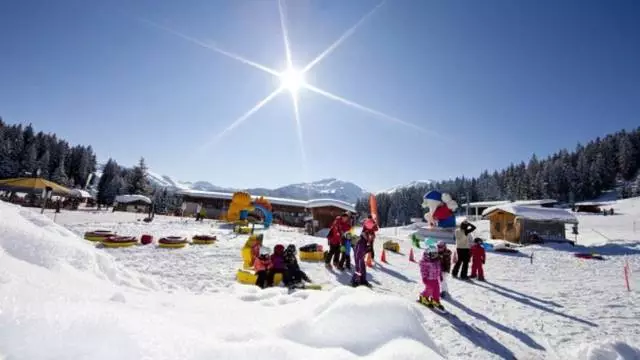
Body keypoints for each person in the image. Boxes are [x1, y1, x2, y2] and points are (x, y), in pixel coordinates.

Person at [351, 219, 376, 287]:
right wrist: (366, 249)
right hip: (358, 254)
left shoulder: (366, 233)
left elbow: (374, 230)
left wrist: (367, 248)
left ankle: (363, 280)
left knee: (363, 268)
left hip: (361, 253)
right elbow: (357, 247)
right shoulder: (361, 236)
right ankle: (354, 281)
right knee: (358, 267)